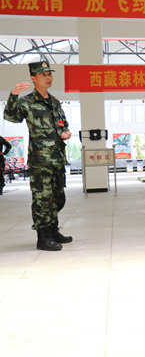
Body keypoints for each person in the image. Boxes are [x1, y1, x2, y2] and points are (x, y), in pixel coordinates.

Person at [4, 61, 73, 251]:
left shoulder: (55, 102)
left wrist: (65, 132)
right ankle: (43, 237)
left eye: (49, 74)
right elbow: (11, 117)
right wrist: (13, 95)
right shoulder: (26, 102)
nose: (48, 77)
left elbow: (63, 124)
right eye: (43, 74)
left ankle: (53, 230)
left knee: (58, 198)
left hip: (57, 158)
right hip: (40, 160)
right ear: (33, 78)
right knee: (43, 199)